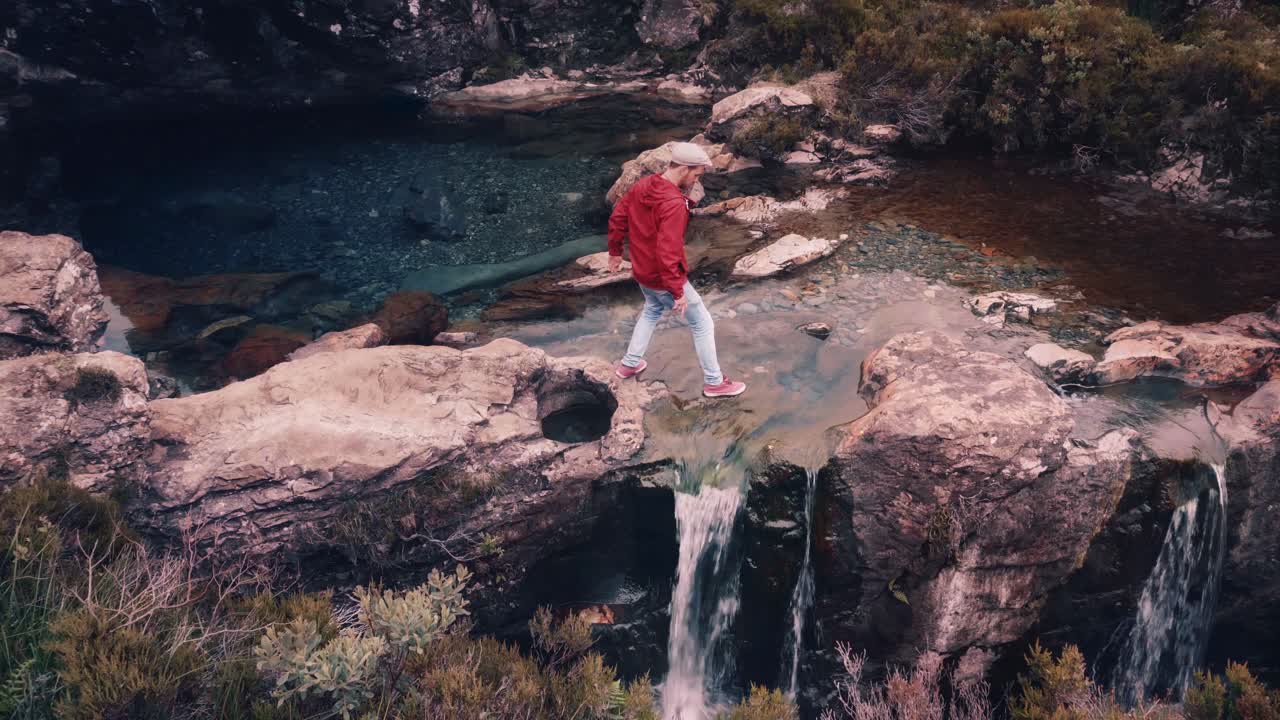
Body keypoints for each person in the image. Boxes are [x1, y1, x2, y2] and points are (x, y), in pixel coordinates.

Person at [606, 142, 747, 398]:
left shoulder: (644, 185)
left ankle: (629, 364)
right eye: (696, 174)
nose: (696, 181)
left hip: (643, 271)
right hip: (663, 276)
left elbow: (618, 217)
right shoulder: (673, 204)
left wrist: (615, 252)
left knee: (651, 309)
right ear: (683, 168)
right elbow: (668, 250)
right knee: (702, 323)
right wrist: (677, 291)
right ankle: (715, 382)